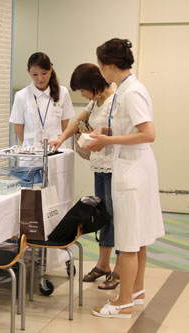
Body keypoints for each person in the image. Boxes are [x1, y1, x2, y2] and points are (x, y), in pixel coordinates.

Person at [88, 38, 165, 318]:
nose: (100, 71)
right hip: (134, 167)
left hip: (133, 170)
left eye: (100, 65)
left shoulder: (131, 92)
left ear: (108, 65)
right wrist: (106, 134)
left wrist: (109, 140)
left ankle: (122, 303)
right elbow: (128, 125)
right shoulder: (126, 89)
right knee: (139, 235)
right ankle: (137, 289)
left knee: (130, 239)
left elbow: (148, 133)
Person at [49, 63, 120, 290]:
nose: (81, 94)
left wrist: (101, 134)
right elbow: (76, 121)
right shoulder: (95, 101)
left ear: (93, 85)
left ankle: (118, 269)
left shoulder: (115, 100)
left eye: (82, 90)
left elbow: (119, 130)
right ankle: (103, 264)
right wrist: (60, 139)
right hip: (99, 165)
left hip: (114, 166)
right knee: (102, 214)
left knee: (116, 216)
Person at [10, 52, 74, 147]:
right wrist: (30, 146)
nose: (40, 79)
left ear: (51, 70)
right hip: (31, 153)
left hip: (56, 149)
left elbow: (65, 124)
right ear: (28, 72)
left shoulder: (63, 92)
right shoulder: (21, 96)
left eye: (44, 73)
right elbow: (18, 127)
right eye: (35, 75)